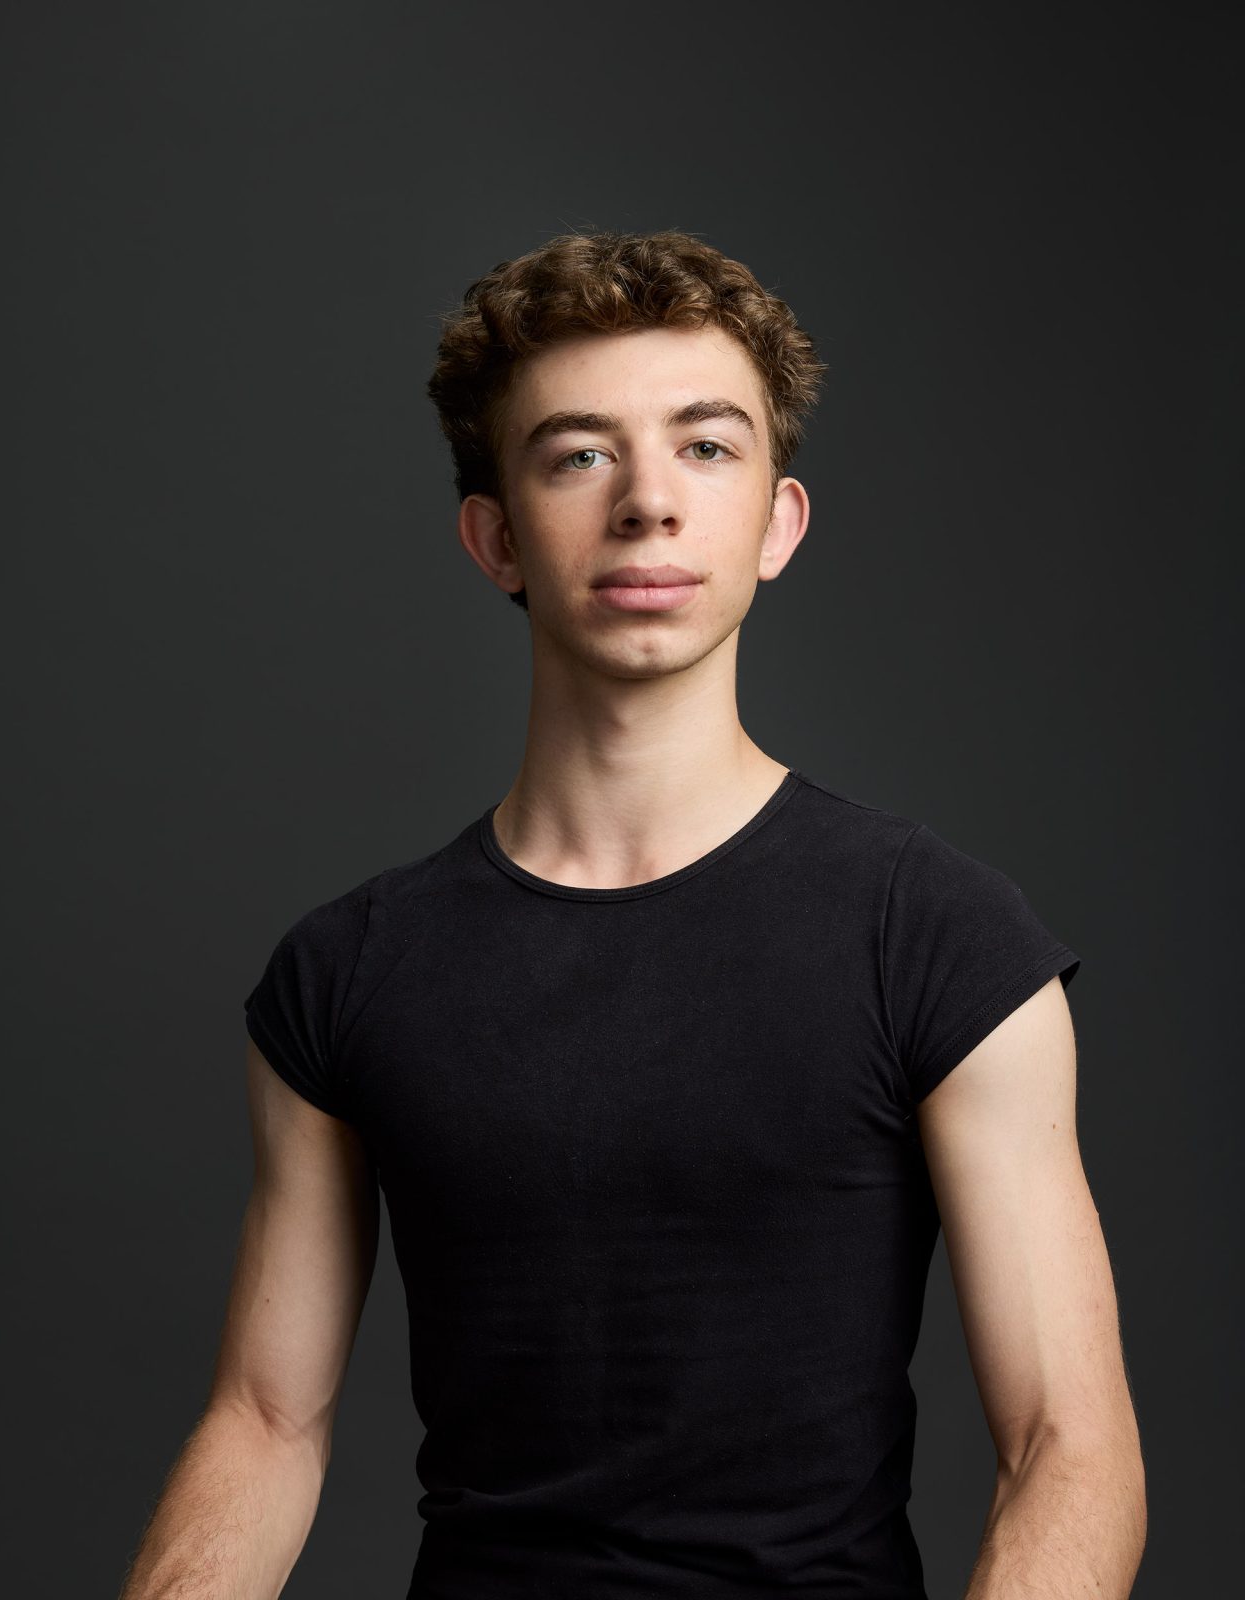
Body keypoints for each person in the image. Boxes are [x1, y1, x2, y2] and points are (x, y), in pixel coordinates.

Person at [119, 230, 1146, 1599]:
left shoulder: (941, 942)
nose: (648, 502)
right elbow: (262, 1425)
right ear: (496, 538)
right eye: (578, 455)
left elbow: (1068, 1447)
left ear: (778, 524)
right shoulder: (346, 975)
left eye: (706, 448)